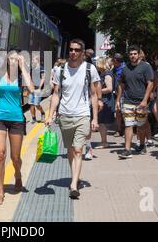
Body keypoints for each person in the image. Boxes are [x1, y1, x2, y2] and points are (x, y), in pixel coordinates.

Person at [0, 49, 34, 205]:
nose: (13, 61)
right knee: (0, 153)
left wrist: (23, 67)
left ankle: (17, 174)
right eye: (11, 59)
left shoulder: (22, 76)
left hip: (16, 119)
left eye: (17, 59)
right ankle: (1, 192)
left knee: (15, 157)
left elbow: (32, 90)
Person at [46, 39, 100, 199]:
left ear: (82, 53)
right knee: (70, 150)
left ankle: (74, 185)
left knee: (78, 149)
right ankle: (74, 175)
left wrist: (95, 118)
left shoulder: (90, 69)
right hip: (64, 115)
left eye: (77, 50)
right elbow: (56, 94)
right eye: (71, 49)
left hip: (83, 114)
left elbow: (94, 95)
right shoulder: (60, 70)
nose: (73, 52)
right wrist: (50, 115)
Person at [116, 45, 154, 159]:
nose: (133, 56)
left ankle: (142, 144)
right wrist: (118, 100)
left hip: (141, 102)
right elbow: (121, 85)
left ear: (138, 54)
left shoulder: (145, 67)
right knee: (128, 124)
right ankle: (127, 150)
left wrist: (144, 100)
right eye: (131, 54)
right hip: (128, 101)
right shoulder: (125, 68)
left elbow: (150, 84)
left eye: (135, 54)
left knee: (141, 126)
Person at [95, 57, 115, 149]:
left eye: (97, 63)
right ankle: (104, 141)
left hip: (105, 101)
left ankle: (104, 142)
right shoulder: (103, 73)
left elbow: (109, 88)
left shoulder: (107, 74)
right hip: (104, 100)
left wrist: (97, 91)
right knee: (100, 121)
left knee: (101, 121)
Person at [29, 54, 45, 123]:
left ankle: (42, 112)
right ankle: (33, 118)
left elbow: (43, 78)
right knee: (31, 103)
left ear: (37, 60)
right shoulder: (31, 69)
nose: (32, 61)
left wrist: (39, 88)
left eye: (33, 59)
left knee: (36, 104)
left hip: (38, 89)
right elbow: (29, 78)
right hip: (32, 88)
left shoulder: (42, 68)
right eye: (32, 59)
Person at [112, 53, 125, 137]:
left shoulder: (124, 68)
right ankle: (119, 129)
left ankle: (125, 130)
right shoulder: (114, 69)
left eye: (113, 60)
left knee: (124, 112)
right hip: (116, 93)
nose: (112, 62)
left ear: (116, 61)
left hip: (124, 94)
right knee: (117, 112)